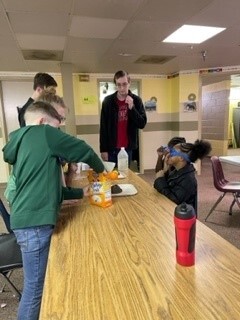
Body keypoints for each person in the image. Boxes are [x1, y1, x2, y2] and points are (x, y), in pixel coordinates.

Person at [2, 101, 104, 320]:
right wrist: (102, 171)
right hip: (34, 226)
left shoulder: (22, 141)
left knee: (40, 283)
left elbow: (47, 190)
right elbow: (84, 149)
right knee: (34, 289)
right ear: (42, 122)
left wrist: (80, 193)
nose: (57, 133)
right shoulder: (44, 133)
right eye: (56, 127)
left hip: (23, 220)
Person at [100, 70, 147, 165]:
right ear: (115, 85)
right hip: (111, 148)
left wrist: (132, 108)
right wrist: (103, 149)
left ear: (129, 83)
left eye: (124, 84)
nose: (122, 88)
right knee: (111, 176)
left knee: (125, 176)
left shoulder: (136, 100)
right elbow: (103, 127)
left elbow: (142, 124)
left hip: (127, 148)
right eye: (119, 85)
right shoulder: (108, 101)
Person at [154, 139, 212, 212]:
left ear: (181, 158)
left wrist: (160, 179)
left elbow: (174, 200)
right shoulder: (177, 171)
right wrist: (165, 172)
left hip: (181, 217)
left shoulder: (188, 180)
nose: (168, 155)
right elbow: (168, 189)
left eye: (172, 153)